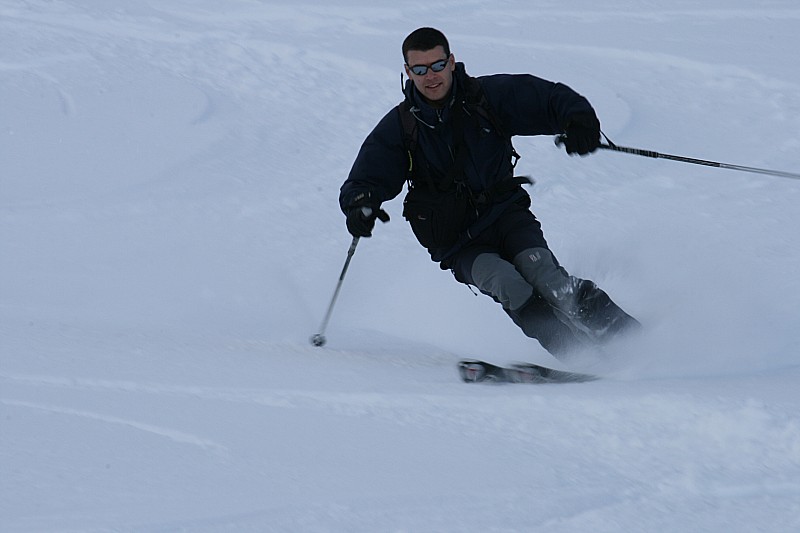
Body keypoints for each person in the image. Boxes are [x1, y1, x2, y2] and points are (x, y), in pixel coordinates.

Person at [339, 27, 639, 359]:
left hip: (506, 214)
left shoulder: (486, 98)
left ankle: (632, 341)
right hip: (457, 240)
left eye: (437, 65)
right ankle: (579, 356)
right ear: (408, 72)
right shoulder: (402, 126)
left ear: (451, 62)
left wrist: (578, 121)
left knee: (547, 278)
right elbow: (366, 177)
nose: (431, 76)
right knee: (507, 282)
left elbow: (547, 98)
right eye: (420, 70)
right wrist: (360, 205)